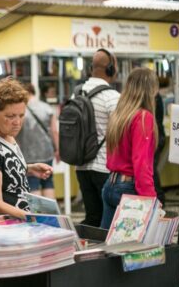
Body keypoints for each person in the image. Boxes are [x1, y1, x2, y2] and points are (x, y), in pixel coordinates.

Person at [0, 78, 53, 220]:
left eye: (21, 115)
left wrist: (29, 168)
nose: (17, 122)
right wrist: (32, 218)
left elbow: (2, 169)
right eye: (10, 116)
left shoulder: (5, 134)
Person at [100, 67, 158, 229]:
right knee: (135, 249)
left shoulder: (120, 114)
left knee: (106, 246)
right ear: (150, 89)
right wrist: (151, 200)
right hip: (129, 187)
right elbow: (141, 162)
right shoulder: (143, 117)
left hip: (110, 184)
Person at [75, 48, 121, 227]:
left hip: (81, 166)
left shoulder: (77, 93)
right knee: (109, 221)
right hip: (104, 167)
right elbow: (120, 134)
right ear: (110, 69)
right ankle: (107, 253)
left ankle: (91, 253)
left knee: (92, 217)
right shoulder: (112, 97)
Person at [16, 83, 59, 199]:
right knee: (48, 182)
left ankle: (39, 216)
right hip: (47, 152)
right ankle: (52, 216)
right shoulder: (47, 108)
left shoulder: (21, 111)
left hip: (28, 154)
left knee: (32, 184)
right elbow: (54, 131)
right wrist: (58, 150)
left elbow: (16, 133)